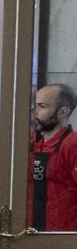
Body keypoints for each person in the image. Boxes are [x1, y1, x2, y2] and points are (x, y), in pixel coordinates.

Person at [31, 82, 77, 231]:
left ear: (63, 112)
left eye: (42, 106)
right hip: (29, 235)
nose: (35, 112)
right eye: (35, 105)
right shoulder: (31, 142)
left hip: (59, 241)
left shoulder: (72, 144)